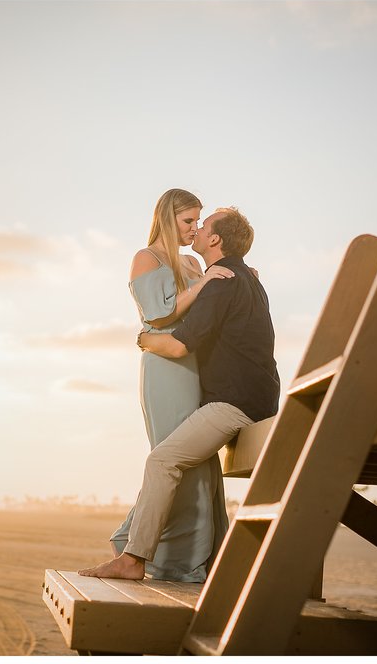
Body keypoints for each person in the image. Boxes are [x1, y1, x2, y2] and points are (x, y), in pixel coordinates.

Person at [80, 207, 280, 580]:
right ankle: (183, 553)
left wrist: (144, 339)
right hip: (260, 400)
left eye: (203, 225)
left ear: (215, 239)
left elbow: (177, 347)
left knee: (162, 462)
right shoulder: (245, 279)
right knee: (184, 465)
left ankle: (132, 559)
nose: (198, 229)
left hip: (235, 403)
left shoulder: (223, 281)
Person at [111, 188, 235, 582]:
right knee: (173, 458)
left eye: (198, 221)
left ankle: (194, 556)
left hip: (194, 368)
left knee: (196, 462)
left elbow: (211, 308)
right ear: (167, 217)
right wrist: (202, 284)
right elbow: (160, 316)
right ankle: (171, 560)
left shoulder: (191, 262)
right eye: (188, 221)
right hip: (165, 367)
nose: (194, 228)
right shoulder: (145, 258)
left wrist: (237, 280)